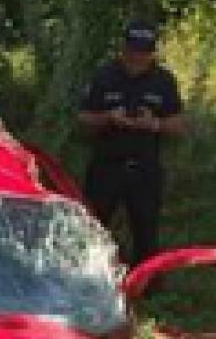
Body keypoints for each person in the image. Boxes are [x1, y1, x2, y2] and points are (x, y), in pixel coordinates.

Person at [77, 20, 188, 265]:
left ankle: (147, 286)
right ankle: (87, 278)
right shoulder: (104, 76)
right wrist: (108, 118)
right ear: (123, 49)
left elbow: (179, 124)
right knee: (93, 226)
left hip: (145, 166)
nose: (137, 58)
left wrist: (155, 124)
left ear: (152, 53)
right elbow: (83, 118)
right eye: (133, 51)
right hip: (107, 164)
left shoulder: (163, 81)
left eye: (144, 52)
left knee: (146, 229)